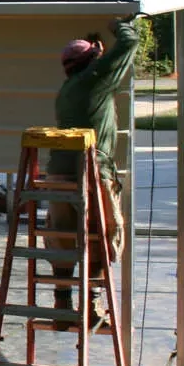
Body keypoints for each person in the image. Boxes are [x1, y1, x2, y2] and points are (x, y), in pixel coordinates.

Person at [48, 17, 140, 327]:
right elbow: (129, 44)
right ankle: (91, 307)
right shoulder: (94, 79)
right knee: (103, 234)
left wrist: (95, 55)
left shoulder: (67, 89)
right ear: (90, 62)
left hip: (59, 174)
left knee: (61, 237)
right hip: (91, 171)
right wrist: (120, 25)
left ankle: (62, 303)